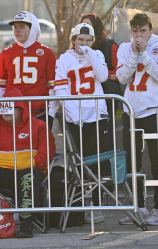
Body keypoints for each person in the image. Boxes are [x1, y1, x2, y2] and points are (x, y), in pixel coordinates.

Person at [0, 88, 56, 238]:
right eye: (4, 107)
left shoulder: (39, 126)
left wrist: (22, 163)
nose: (7, 111)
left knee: (28, 175)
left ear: (21, 109)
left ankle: (27, 223)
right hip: (1, 172)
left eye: (11, 107)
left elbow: (46, 155)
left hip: (28, 171)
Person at [116, 13, 158, 225]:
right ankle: (138, 208)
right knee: (133, 163)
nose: (139, 35)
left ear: (151, 30)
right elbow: (121, 78)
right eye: (135, 31)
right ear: (131, 31)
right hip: (132, 111)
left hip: (154, 110)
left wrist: (145, 54)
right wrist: (133, 54)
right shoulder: (124, 47)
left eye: (143, 31)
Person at [52, 23, 108, 224]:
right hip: (75, 119)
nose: (83, 44)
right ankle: (79, 206)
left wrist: (90, 54)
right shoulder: (63, 60)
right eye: (80, 40)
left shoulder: (97, 55)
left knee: (97, 163)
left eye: (88, 40)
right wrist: (73, 114)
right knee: (77, 164)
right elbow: (60, 89)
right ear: (73, 40)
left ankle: (97, 206)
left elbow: (102, 76)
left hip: (96, 117)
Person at [0, 11, 56, 128]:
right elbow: (0, 87)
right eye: (15, 27)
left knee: (39, 146)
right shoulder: (6, 53)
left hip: (39, 113)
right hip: (13, 113)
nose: (17, 30)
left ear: (32, 29)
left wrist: (51, 114)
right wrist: (0, 112)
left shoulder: (47, 53)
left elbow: (53, 87)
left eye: (22, 27)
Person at [81, 13, 122, 153]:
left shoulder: (109, 45)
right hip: (85, 100)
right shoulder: (75, 49)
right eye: (83, 25)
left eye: (89, 26)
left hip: (106, 99)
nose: (86, 29)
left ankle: (106, 171)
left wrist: (102, 74)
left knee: (106, 136)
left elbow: (120, 72)